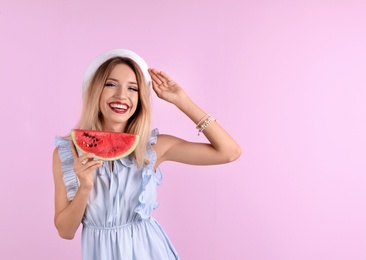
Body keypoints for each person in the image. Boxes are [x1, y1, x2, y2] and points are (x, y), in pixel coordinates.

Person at [52, 49, 241, 260]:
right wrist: (85, 187)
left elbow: (229, 152)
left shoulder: (153, 147)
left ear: (140, 98)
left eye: (133, 88)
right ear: (95, 90)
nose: (121, 95)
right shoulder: (68, 153)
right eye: (111, 84)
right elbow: (65, 232)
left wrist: (182, 101)